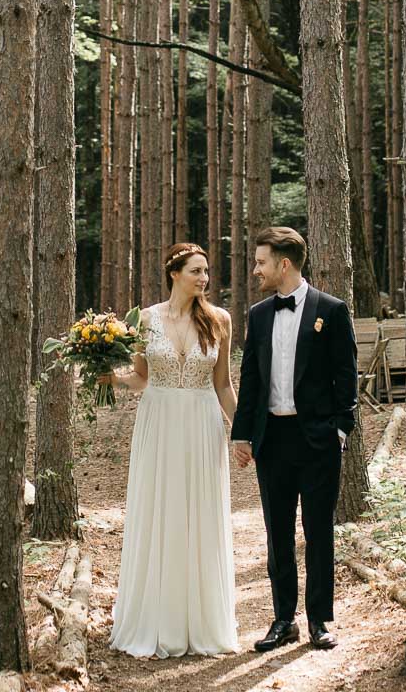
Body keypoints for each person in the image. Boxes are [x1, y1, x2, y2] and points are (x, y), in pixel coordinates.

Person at [103, 243, 240, 658]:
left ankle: (202, 623)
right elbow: (143, 378)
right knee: (159, 510)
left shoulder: (219, 320)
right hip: (159, 421)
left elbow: (222, 384)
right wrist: (111, 379)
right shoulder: (146, 319)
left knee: (199, 512)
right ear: (174, 273)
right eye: (196, 271)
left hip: (201, 423)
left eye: (206, 272)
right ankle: (156, 619)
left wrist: (243, 432)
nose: (204, 279)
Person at [230, 226, 358, 651]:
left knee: (318, 530)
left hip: (317, 439)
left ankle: (320, 620)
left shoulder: (332, 310)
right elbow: (250, 378)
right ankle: (283, 619)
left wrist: (340, 431)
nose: (256, 269)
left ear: (284, 264)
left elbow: (347, 377)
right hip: (273, 439)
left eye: (261, 261)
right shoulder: (259, 314)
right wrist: (243, 434)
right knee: (277, 533)